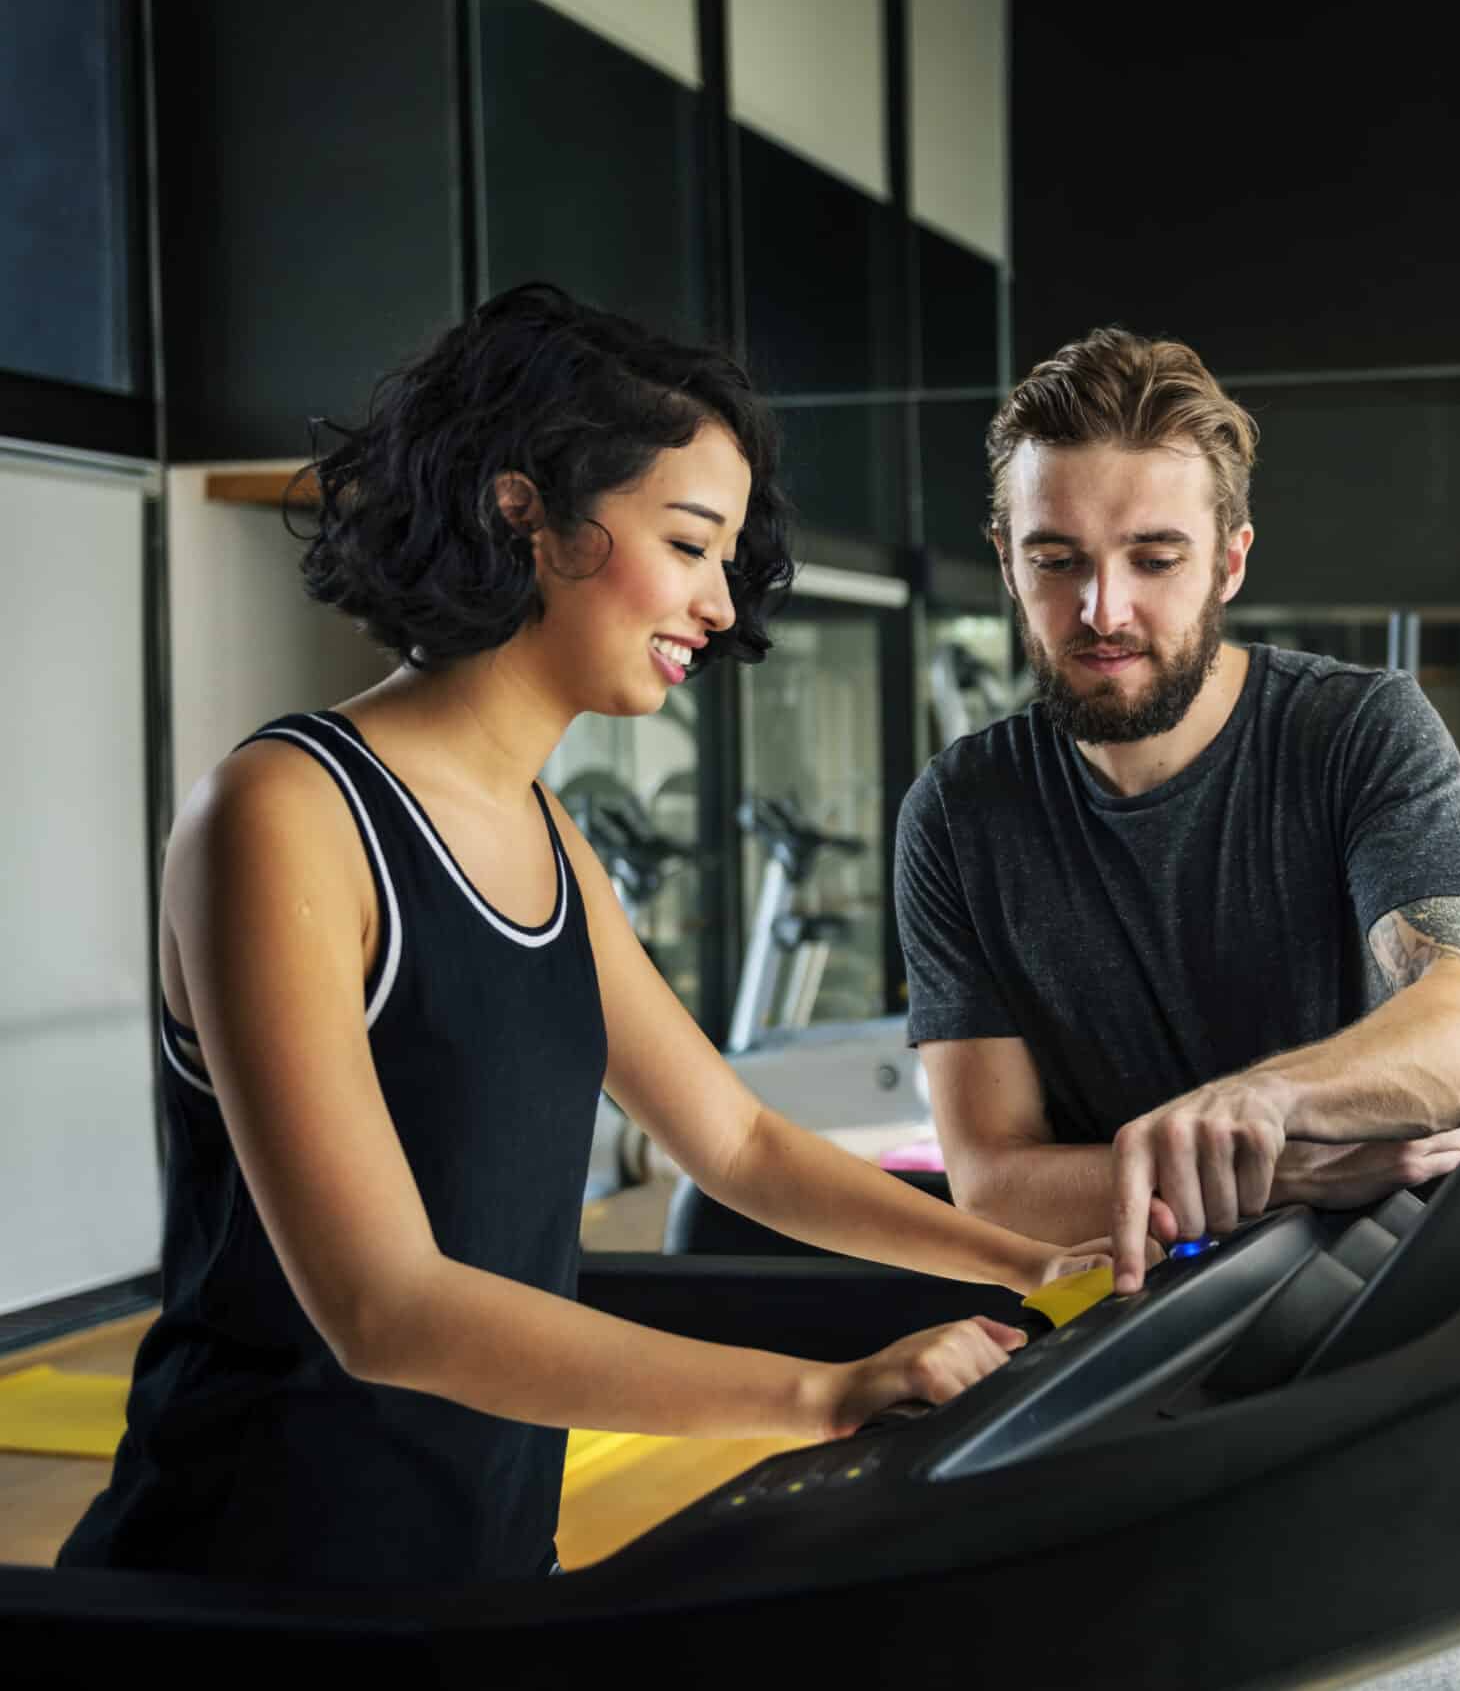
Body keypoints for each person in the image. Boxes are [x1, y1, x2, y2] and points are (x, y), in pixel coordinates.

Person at [60, 285, 1100, 1591]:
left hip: (481, 1569)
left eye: (728, 557)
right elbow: (384, 1307)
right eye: (689, 543)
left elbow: (737, 1144)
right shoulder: (287, 814)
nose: (720, 605)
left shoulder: (548, 837)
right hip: (260, 1580)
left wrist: (1041, 1266)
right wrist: (826, 1397)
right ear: (528, 514)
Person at [895, 328, 1460, 1688]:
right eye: (1055, 558)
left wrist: (1260, 1102)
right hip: (1135, 1393)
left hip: (1385, 1373)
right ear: (1008, 560)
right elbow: (992, 1183)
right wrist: (1291, 1171)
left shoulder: (1359, 732)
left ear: (1232, 561)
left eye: (1154, 557)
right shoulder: (962, 814)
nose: (1102, 609)